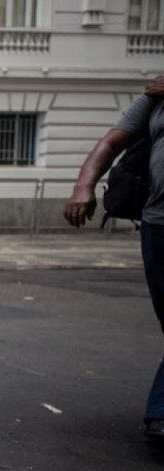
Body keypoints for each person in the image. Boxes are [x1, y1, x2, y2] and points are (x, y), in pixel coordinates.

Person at [65, 74, 164, 440]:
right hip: (159, 221)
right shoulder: (157, 97)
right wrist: (83, 185)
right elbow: (111, 141)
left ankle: (159, 412)